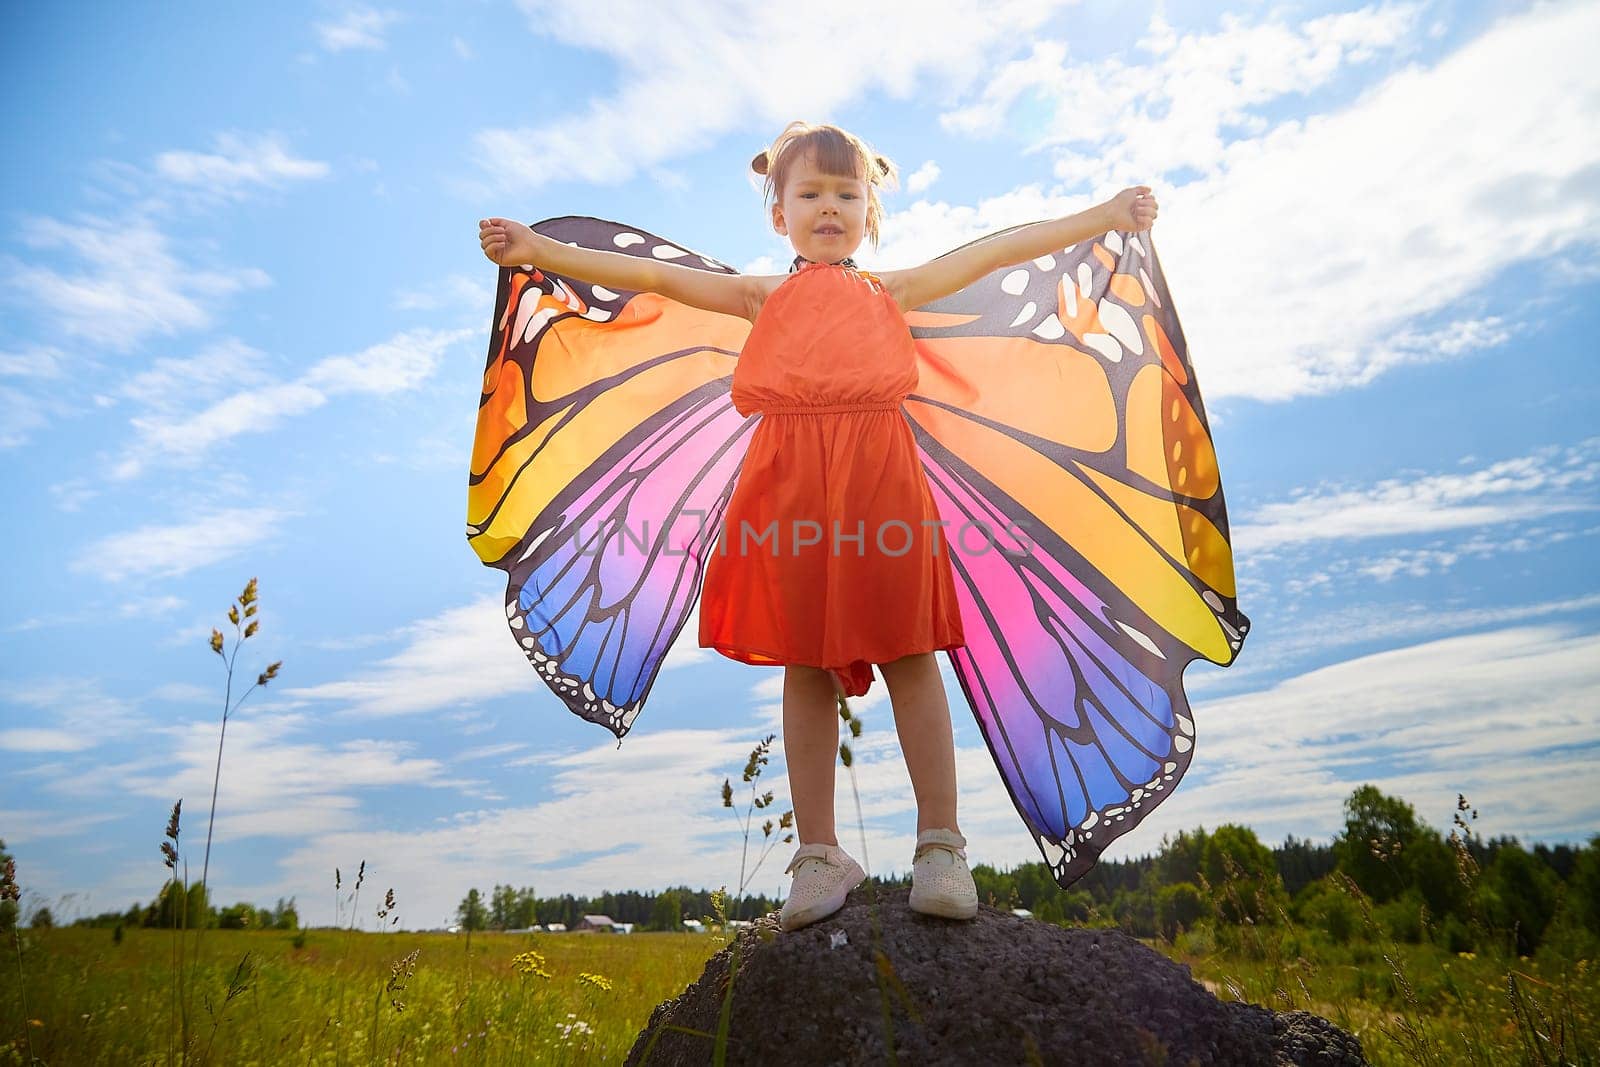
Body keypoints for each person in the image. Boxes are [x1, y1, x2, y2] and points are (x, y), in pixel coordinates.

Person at [477, 121, 1195, 934]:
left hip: (882, 493)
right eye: (811, 194)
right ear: (778, 214)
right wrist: (538, 248)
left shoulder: (891, 292)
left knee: (911, 652)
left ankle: (941, 848)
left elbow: (1001, 250)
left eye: (847, 194)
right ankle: (818, 855)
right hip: (784, 501)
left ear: (869, 211)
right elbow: (647, 275)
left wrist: (1103, 214)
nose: (830, 207)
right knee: (804, 664)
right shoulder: (759, 297)